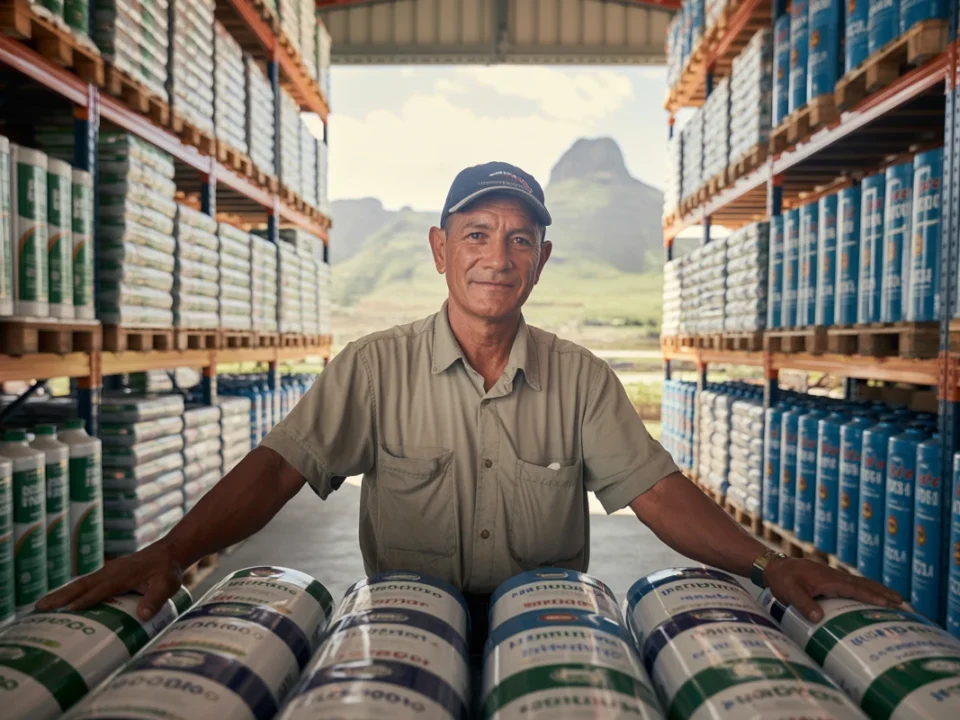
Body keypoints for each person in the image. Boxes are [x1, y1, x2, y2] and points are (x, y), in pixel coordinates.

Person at [39, 162, 901, 647]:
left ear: (543, 258)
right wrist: (174, 550)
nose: (498, 256)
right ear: (440, 249)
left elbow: (656, 491)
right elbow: (280, 466)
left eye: (519, 239)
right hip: (410, 633)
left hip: (549, 633)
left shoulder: (580, 377)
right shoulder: (374, 369)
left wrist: (762, 567)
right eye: (478, 235)